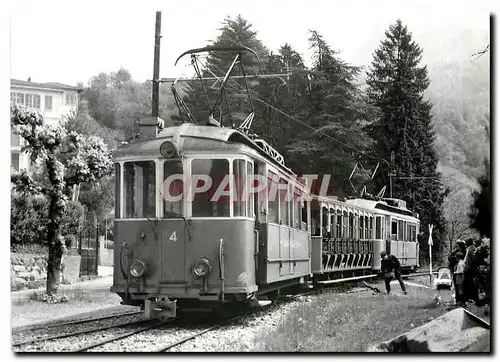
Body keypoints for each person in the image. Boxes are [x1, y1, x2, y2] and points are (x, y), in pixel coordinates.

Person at [464, 238, 477, 302]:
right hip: (467, 268)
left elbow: (474, 259)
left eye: (466, 242)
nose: (465, 243)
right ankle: (468, 296)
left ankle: (472, 297)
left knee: (470, 283)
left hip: (470, 269)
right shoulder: (468, 248)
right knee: (467, 283)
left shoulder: (472, 249)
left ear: (469, 242)